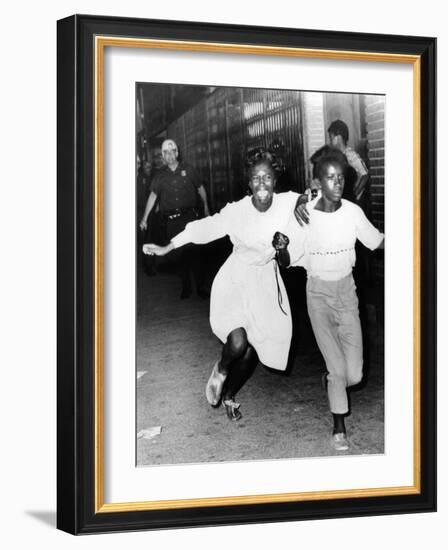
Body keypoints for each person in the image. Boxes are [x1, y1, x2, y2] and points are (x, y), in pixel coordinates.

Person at [143, 154, 301, 421]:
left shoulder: (288, 203)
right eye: (256, 179)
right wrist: (168, 246)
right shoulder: (236, 211)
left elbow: (315, 200)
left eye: (267, 178)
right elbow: (202, 229)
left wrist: (307, 200)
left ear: (276, 181)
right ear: (249, 183)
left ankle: (229, 395)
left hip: (264, 285)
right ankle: (222, 368)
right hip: (236, 280)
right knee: (238, 343)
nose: (262, 183)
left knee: (254, 352)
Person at [288, 152, 384, 451]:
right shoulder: (305, 214)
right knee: (338, 369)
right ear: (318, 181)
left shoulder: (353, 212)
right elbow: (287, 253)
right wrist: (281, 244)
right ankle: (338, 426)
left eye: (341, 176)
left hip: (346, 293)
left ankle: (332, 380)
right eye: (330, 177)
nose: (338, 182)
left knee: (354, 374)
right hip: (317, 294)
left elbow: (377, 240)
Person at [139, 139, 210, 299]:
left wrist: (205, 206)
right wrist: (144, 218)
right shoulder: (160, 176)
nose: (169, 156)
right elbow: (153, 196)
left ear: (177, 153)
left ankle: (200, 288)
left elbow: (200, 188)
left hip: (190, 218)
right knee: (178, 255)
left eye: (172, 152)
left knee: (195, 253)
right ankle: (186, 287)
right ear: (163, 156)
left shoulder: (189, 170)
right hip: (172, 222)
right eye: (166, 153)